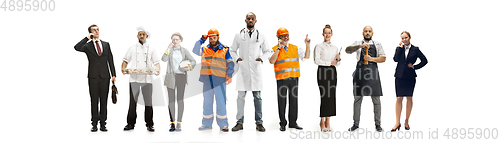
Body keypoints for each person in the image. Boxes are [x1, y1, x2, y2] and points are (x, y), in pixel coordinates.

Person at [229, 12, 273, 132]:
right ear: (245, 20)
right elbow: (231, 50)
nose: (250, 20)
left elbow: (269, 51)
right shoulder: (238, 35)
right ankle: (239, 122)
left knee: (257, 97)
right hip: (243, 70)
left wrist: (261, 59)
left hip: (255, 70)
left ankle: (259, 123)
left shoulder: (261, 35)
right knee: (240, 97)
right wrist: (237, 59)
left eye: (252, 19)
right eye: (248, 18)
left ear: (255, 21)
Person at [74, 24, 117, 132]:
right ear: (90, 32)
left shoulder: (106, 44)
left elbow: (110, 60)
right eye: (94, 30)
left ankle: (103, 124)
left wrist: (113, 74)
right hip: (93, 77)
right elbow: (76, 47)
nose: (97, 31)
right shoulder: (87, 46)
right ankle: (94, 124)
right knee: (94, 101)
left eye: (98, 29)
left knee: (104, 100)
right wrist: (87, 38)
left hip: (105, 77)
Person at [192, 28, 235, 132]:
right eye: (210, 38)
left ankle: (223, 125)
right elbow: (194, 50)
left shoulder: (225, 49)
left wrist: (229, 75)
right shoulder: (204, 50)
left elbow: (230, 63)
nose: (212, 40)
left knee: (221, 102)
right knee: (207, 102)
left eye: (214, 37)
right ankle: (206, 124)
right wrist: (202, 40)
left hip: (220, 80)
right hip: (207, 80)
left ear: (218, 37)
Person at [345, 26, 386, 132]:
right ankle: (355, 124)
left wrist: (371, 58)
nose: (367, 33)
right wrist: (360, 46)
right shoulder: (358, 43)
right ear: (362, 32)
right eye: (366, 31)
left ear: (372, 33)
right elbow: (347, 50)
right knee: (357, 99)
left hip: (373, 74)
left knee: (376, 100)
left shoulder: (377, 44)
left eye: (369, 31)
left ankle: (378, 124)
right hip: (360, 74)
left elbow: (383, 58)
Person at [269, 27, 310, 131]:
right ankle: (283, 123)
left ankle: (293, 122)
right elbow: (272, 61)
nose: (286, 37)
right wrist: (278, 48)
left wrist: (307, 45)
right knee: (282, 101)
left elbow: (306, 57)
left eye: (287, 35)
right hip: (282, 78)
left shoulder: (295, 48)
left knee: (294, 100)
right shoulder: (274, 49)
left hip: (294, 78)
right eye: (283, 36)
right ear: (278, 38)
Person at [122, 27, 161, 132]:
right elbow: (125, 60)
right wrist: (123, 68)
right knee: (132, 102)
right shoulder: (132, 48)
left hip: (147, 79)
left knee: (148, 102)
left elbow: (157, 62)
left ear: (146, 36)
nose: (141, 36)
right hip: (134, 79)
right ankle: (130, 124)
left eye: (143, 34)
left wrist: (157, 70)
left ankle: (149, 124)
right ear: (137, 36)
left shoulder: (151, 48)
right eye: (140, 34)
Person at [391, 31, 428, 132]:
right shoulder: (400, 48)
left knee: (409, 98)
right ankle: (397, 122)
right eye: (402, 38)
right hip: (399, 76)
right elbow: (395, 59)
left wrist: (414, 67)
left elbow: (425, 60)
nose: (404, 40)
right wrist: (399, 48)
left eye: (406, 38)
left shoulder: (415, 49)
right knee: (399, 98)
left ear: (410, 37)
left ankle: (406, 121)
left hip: (410, 76)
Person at [162, 32, 196, 132]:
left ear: (181, 40)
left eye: (177, 39)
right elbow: (163, 59)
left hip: (181, 77)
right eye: (173, 40)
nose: (175, 41)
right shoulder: (170, 51)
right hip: (171, 77)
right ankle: (172, 123)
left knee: (180, 100)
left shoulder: (184, 51)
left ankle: (179, 123)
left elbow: (193, 61)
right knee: (171, 100)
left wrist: (188, 67)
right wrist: (167, 49)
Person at [314, 24, 340, 132]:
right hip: (322, 72)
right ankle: (322, 121)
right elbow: (316, 60)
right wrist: (330, 62)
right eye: (326, 32)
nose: (327, 35)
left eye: (329, 33)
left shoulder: (335, 48)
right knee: (324, 95)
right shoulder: (319, 46)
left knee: (331, 96)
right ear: (322, 34)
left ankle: (328, 121)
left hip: (332, 72)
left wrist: (338, 60)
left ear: (332, 34)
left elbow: (336, 64)